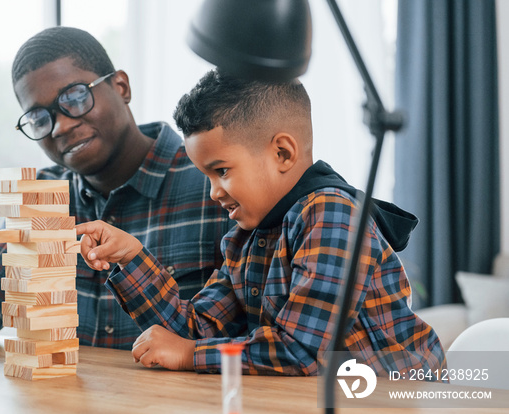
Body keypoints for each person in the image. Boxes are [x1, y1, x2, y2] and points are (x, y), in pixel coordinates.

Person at [76, 69, 446, 375]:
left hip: (401, 403)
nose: (213, 193)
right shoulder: (244, 240)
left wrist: (191, 355)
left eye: (221, 171)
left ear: (283, 153)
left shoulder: (332, 214)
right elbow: (196, 330)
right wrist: (131, 257)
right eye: (207, 176)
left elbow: (302, 352)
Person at [0, 27, 232, 347]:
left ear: (122, 87)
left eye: (76, 97)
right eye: (39, 118)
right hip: (68, 411)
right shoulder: (44, 199)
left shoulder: (216, 181)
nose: (61, 126)